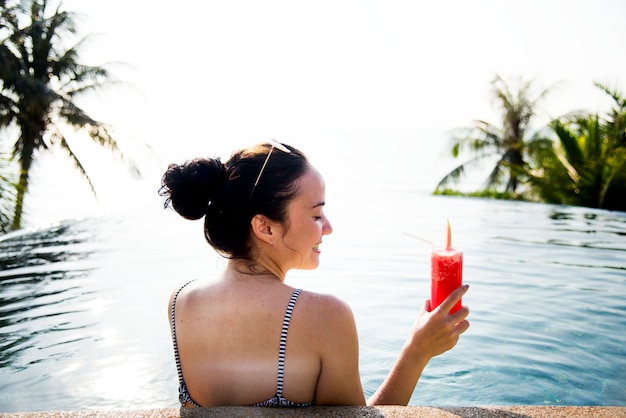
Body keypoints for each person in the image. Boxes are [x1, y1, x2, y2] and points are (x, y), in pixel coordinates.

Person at [159, 140, 470, 408]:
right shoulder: (325, 317)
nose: (328, 227)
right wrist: (417, 351)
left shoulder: (181, 302)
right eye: (316, 214)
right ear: (265, 227)